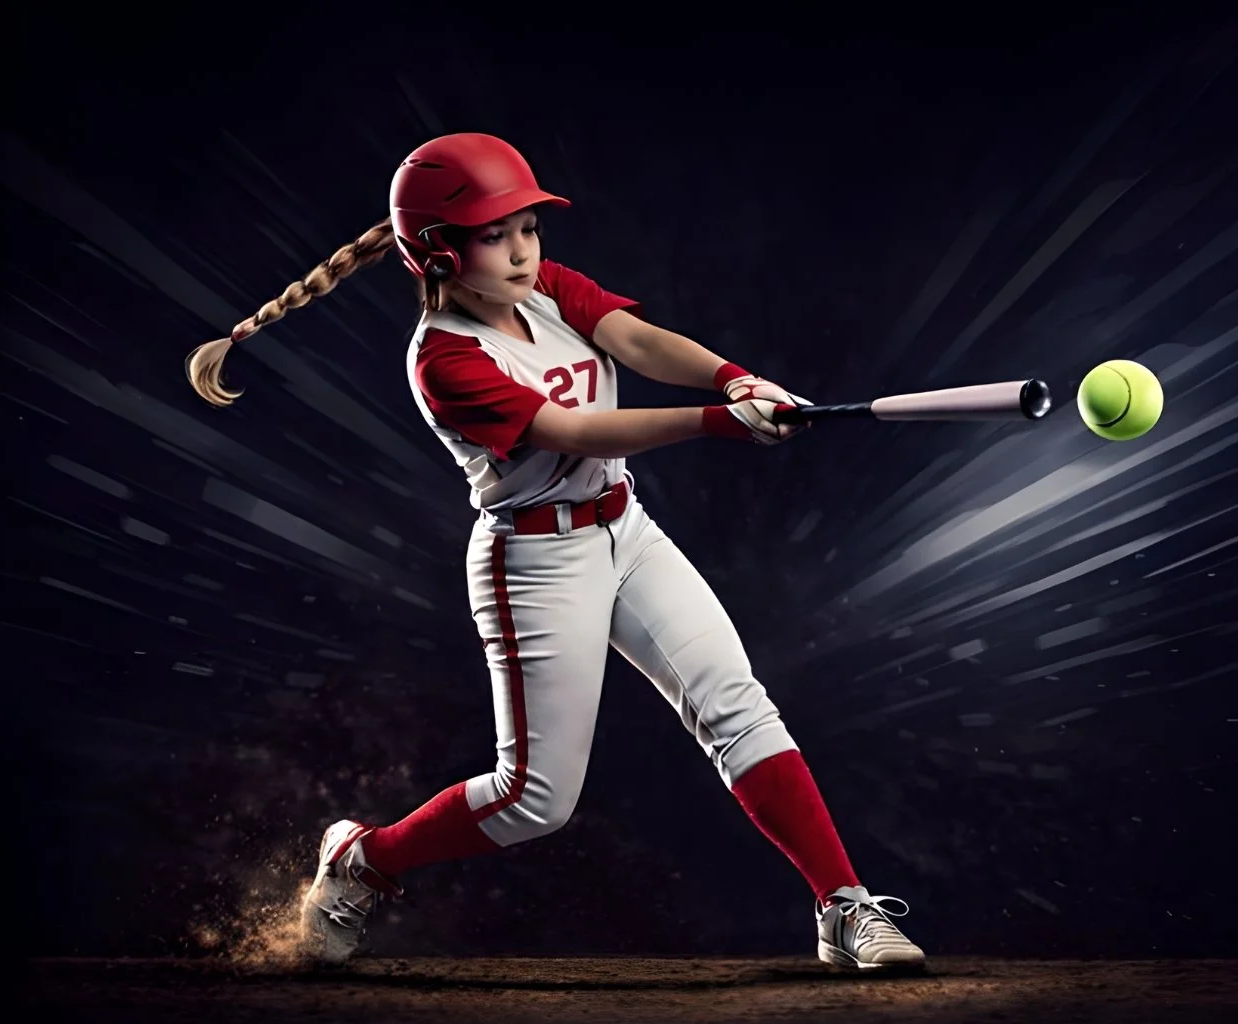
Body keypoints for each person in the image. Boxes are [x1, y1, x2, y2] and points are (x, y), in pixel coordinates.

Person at [183, 133, 924, 972]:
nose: (522, 249)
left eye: (527, 226)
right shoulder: (445, 358)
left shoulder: (548, 290)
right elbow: (568, 431)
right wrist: (717, 423)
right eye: (495, 234)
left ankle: (841, 905)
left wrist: (733, 380)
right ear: (437, 250)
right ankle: (363, 860)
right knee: (536, 801)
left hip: (625, 528)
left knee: (738, 704)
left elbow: (639, 341)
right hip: (533, 562)